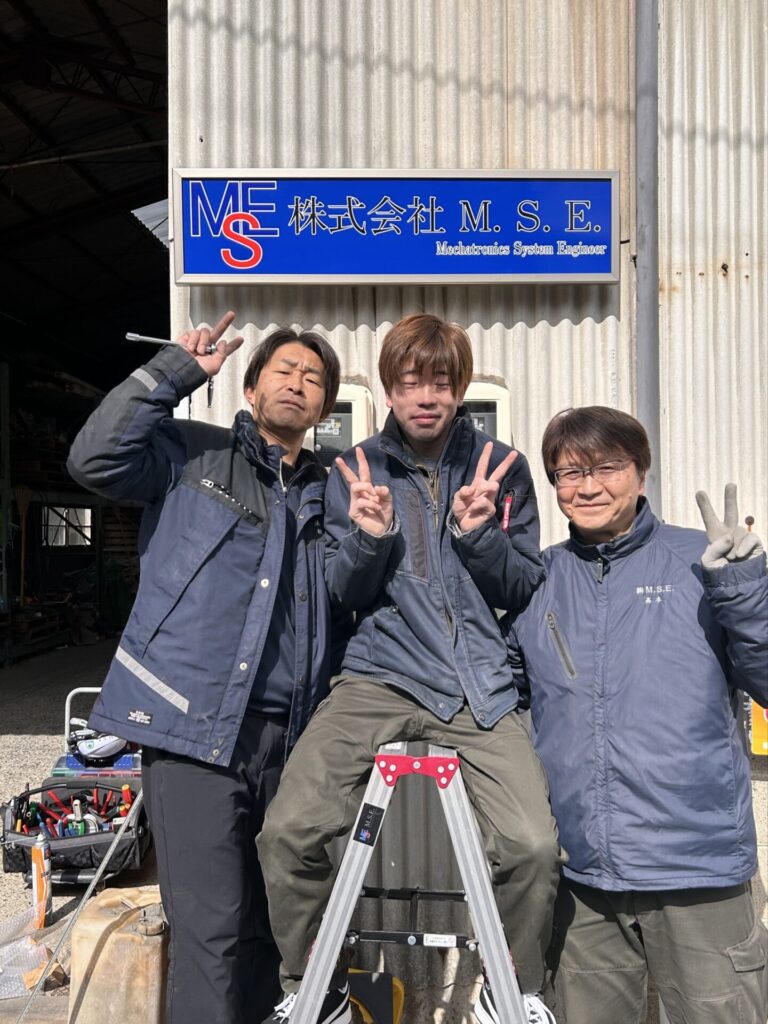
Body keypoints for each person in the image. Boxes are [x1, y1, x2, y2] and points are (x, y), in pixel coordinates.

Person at [258, 313, 563, 1024]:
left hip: (477, 683)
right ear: (389, 390)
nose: (426, 397)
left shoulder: (502, 467)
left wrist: (479, 534)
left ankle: (512, 989)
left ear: (460, 388)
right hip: (379, 674)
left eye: (441, 382)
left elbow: (522, 585)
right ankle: (314, 983)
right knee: (289, 831)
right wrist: (370, 536)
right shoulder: (357, 468)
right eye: (409, 382)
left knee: (533, 846)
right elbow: (342, 591)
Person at [67, 311, 344, 1024]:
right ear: (252, 388)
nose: (298, 383)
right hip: (194, 734)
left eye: (314, 378)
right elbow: (93, 461)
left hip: (295, 740)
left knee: (275, 929)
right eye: (284, 370)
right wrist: (174, 372)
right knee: (210, 933)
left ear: (324, 407)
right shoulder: (189, 454)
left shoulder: (334, 492)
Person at [502, 405, 768, 1024]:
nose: (588, 487)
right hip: (583, 878)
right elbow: (506, 701)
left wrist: (746, 592)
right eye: (570, 473)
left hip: (698, 868)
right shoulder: (539, 578)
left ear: (641, 472)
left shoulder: (705, 562)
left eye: (607, 468)